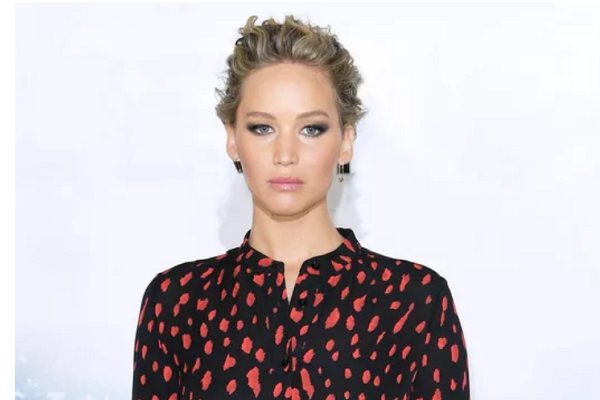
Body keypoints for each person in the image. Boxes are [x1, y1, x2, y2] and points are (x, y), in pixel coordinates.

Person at [131, 14, 470, 400]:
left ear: (346, 141)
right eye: (263, 128)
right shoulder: (177, 302)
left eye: (311, 129)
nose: (285, 154)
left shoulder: (415, 301)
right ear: (232, 138)